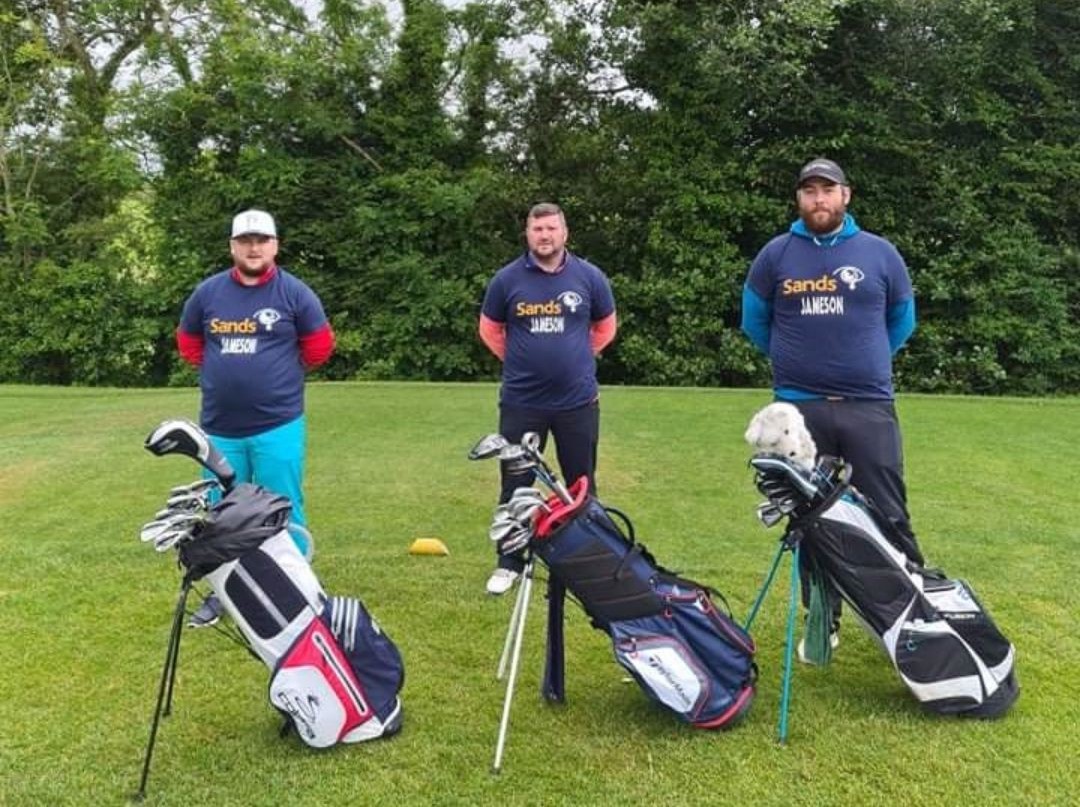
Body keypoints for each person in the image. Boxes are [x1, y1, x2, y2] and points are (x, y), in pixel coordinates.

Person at [741, 158, 919, 661]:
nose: (818, 199)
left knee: (888, 511)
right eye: (809, 191)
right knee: (812, 518)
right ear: (799, 199)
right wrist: (795, 362)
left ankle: (911, 616)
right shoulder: (776, 255)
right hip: (800, 409)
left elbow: (901, 321)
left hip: (868, 404)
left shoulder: (879, 253)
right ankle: (825, 621)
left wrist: (864, 361)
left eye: (828, 190)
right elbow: (756, 322)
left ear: (846, 196)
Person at [177, 208, 335, 626]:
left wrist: (275, 377)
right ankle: (225, 597)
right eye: (245, 241)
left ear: (274, 245)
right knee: (219, 515)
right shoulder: (208, 293)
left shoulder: (295, 293)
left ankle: (297, 591)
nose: (253, 247)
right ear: (232, 246)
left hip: (277, 424)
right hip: (219, 429)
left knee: (283, 508)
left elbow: (319, 347)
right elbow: (189, 342)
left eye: (261, 240)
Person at [478, 202, 618, 595]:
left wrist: (574, 357)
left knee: (581, 485)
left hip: (577, 401)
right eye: (537, 229)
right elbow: (490, 331)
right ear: (528, 234)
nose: (545, 235)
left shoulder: (589, 277)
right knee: (516, 483)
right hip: (522, 402)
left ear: (564, 233)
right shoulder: (506, 281)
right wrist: (526, 362)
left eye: (551, 228)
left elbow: (605, 328)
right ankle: (510, 563)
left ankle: (589, 563)